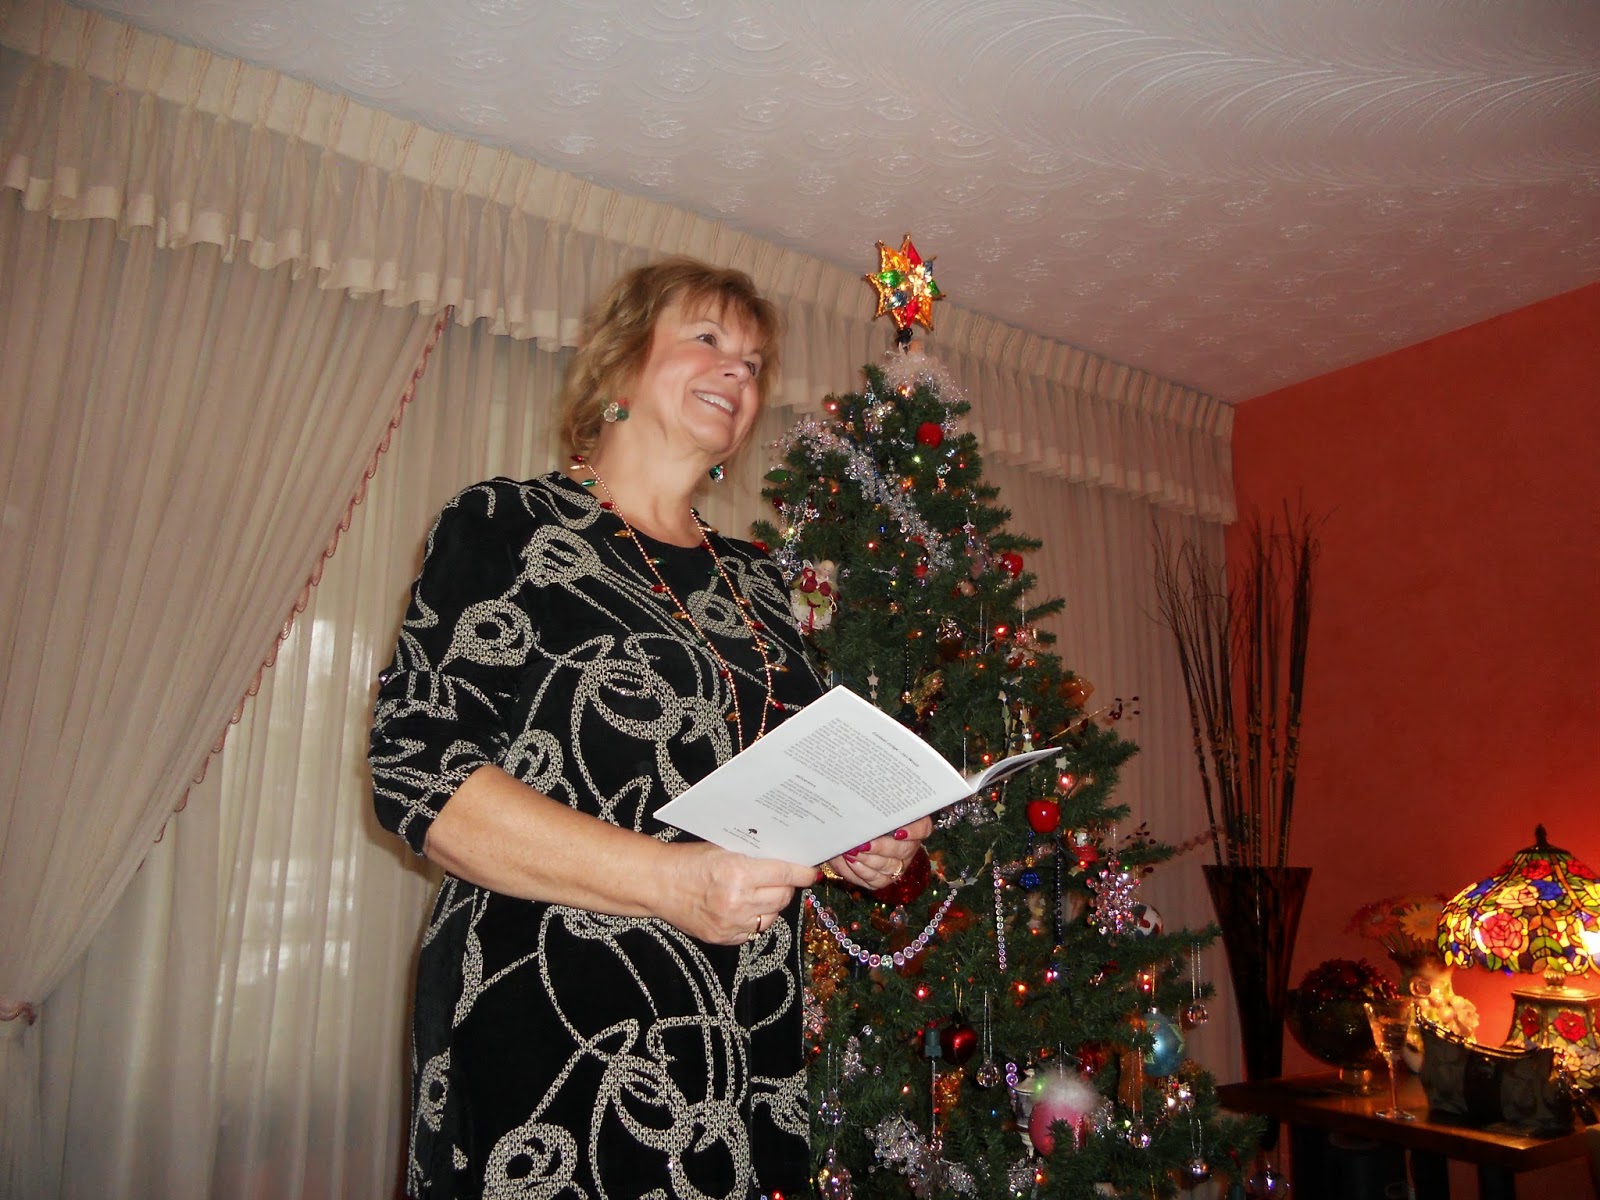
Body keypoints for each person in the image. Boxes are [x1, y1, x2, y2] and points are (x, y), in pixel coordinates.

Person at [370, 257, 931, 1200]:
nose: (738, 371)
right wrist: (673, 884)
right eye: (707, 340)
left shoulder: (758, 582)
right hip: (549, 1025)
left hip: (743, 1033)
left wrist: (856, 840)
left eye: (754, 362)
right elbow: (416, 775)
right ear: (620, 365)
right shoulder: (508, 524)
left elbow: (780, 785)